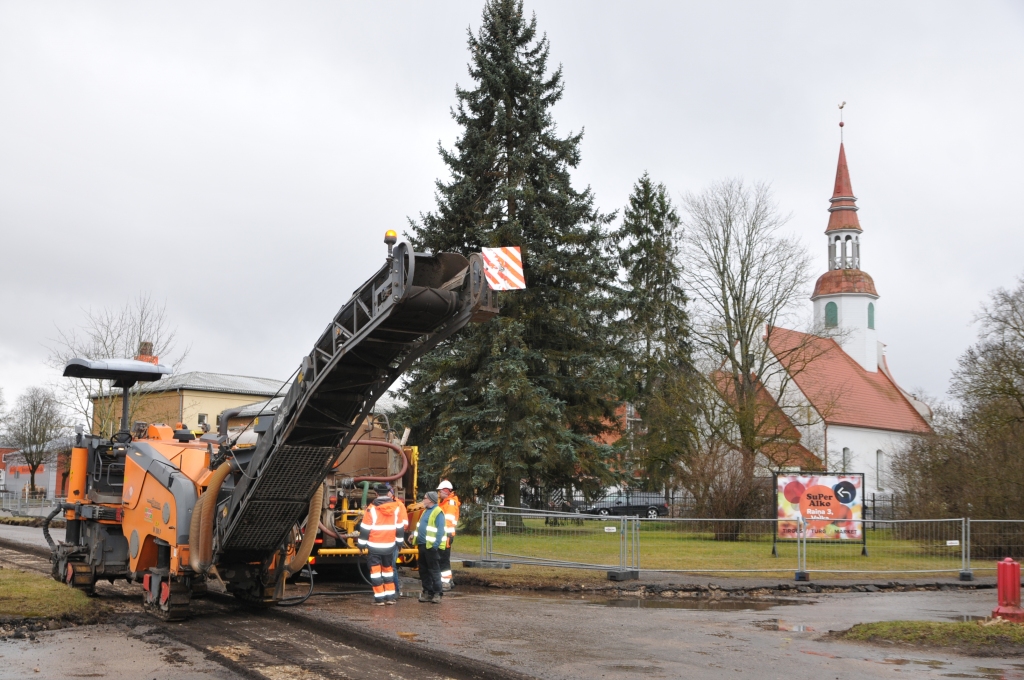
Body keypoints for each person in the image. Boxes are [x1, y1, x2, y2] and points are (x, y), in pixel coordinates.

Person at [357, 483, 405, 606]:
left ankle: (379, 599)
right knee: (388, 571)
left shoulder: (371, 508)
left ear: (377, 494)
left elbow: (365, 528)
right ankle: (390, 598)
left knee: (376, 572)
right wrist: (399, 542)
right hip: (389, 545)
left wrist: (361, 545)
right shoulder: (396, 508)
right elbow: (399, 527)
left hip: (374, 545)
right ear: (387, 493)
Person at [411, 491, 446, 603]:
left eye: (424, 498)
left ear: (430, 500)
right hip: (422, 545)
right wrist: (413, 536)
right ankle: (427, 592)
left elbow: (440, 530)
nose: (423, 500)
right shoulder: (425, 511)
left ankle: (437, 593)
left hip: (431, 547)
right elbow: (420, 527)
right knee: (423, 570)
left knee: (434, 571)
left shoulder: (438, 512)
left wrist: (435, 546)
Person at [436, 480, 461, 591]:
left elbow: (447, 521)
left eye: (440, 491)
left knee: (443, 558)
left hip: (446, 534)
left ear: (445, 491)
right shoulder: (446, 502)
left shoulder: (450, 503)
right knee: (443, 558)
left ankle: (446, 582)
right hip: (445, 534)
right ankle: (447, 580)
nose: (438, 494)